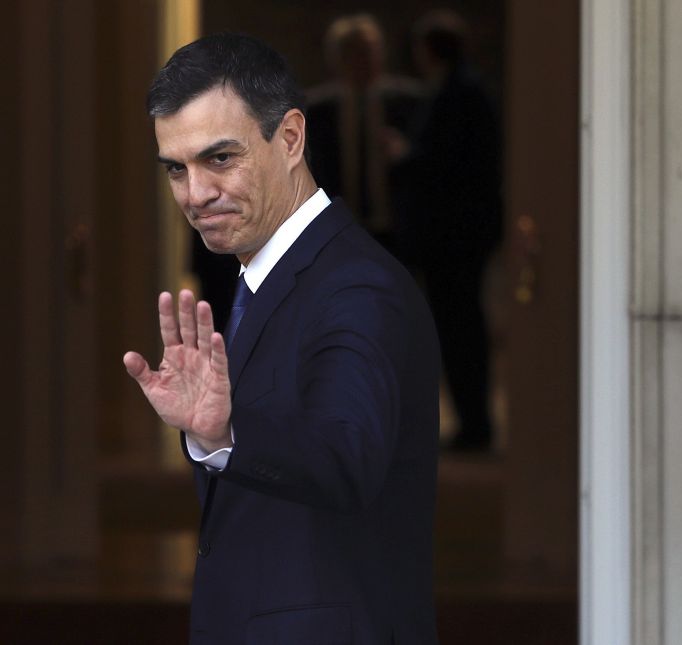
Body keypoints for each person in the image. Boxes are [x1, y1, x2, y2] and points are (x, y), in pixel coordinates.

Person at [122, 33, 440, 645]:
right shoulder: (262, 277)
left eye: (220, 158)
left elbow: (348, 457)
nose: (195, 193)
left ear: (290, 139)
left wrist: (226, 433)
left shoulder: (356, 287)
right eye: (176, 169)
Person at [397, 10, 504, 451]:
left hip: (455, 237)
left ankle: (475, 424)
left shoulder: (459, 94)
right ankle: (472, 420)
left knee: (461, 331)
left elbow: (451, 164)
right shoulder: (461, 89)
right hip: (458, 236)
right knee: (459, 329)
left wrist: (407, 154)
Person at [306, 13, 422, 260]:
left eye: (371, 51)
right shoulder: (315, 112)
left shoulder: (410, 104)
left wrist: (405, 153)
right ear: (337, 58)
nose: (365, 60)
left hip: (397, 234)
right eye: (355, 53)